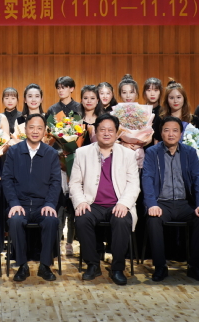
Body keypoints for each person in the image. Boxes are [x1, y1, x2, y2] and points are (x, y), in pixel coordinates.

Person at [69, 114, 140, 285]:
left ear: (117, 133)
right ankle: (93, 264)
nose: (106, 133)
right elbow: (74, 183)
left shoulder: (128, 155)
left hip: (118, 204)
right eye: (102, 130)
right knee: (82, 218)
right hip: (92, 203)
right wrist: (80, 202)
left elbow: (133, 184)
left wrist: (124, 204)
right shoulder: (82, 153)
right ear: (95, 132)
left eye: (110, 130)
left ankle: (117, 268)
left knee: (122, 220)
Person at [142, 116, 199, 283]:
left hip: (185, 203)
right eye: (166, 130)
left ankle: (195, 267)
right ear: (161, 133)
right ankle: (160, 266)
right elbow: (147, 179)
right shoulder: (152, 152)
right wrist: (151, 204)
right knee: (153, 219)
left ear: (181, 134)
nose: (171, 134)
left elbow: (198, 179)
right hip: (162, 203)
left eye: (175, 130)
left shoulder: (189, 152)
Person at [2, 114, 61, 282]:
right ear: (25, 129)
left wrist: (50, 204)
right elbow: (7, 179)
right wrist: (14, 203)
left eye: (39, 128)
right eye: (31, 127)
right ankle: (22, 265)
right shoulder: (14, 151)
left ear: (45, 131)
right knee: (15, 220)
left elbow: (56, 182)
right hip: (19, 204)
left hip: (42, 204)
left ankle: (45, 265)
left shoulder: (51, 153)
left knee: (51, 220)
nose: (35, 131)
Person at [143, 77, 164, 143]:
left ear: (160, 92)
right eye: (149, 90)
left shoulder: (164, 112)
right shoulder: (140, 110)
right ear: (145, 92)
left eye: (156, 90)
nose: (152, 94)